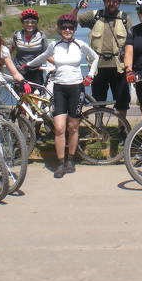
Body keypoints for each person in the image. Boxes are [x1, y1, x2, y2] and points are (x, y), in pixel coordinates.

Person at [24, 14, 99, 178]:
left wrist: (91, 75)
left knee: (73, 127)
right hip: (59, 89)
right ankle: (60, 163)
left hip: (77, 88)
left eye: (70, 27)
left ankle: (70, 159)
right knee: (59, 128)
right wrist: (28, 65)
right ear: (59, 29)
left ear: (74, 29)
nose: (67, 30)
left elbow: (95, 57)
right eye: (64, 27)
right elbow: (42, 57)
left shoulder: (80, 44)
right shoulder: (54, 45)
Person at [73, 0, 133, 121]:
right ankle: (99, 127)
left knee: (122, 101)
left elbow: (132, 43)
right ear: (104, 1)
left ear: (119, 2)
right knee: (98, 100)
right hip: (97, 68)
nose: (111, 3)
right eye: (108, 0)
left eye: (115, 0)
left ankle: (122, 128)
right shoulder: (95, 16)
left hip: (119, 67)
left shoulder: (125, 18)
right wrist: (77, 7)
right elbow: (69, 22)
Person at [10, 8, 48, 86]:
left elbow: (47, 54)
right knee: (21, 96)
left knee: (36, 96)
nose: (30, 24)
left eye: (33, 22)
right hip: (19, 71)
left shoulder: (41, 36)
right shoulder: (17, 35)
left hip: (36, 71)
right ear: (22, 23)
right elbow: (9, 51)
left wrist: (58, 64)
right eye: (26, 22)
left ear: (36, 23)